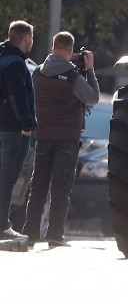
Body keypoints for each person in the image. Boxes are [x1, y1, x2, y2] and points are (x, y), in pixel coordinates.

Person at [22, 31, 99, 248]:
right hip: (67, 138)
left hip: (43, 135)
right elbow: (92, 97)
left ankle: (31, 232)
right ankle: (55, 234)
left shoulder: (37, 73)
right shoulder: (73, 78)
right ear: (69, 51)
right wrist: (90, 70)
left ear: (53, 48)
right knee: (60, 187)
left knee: (38, 186)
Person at [0, 21, 36, 243]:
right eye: (31, 38)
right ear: (25, 39)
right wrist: (27, 124)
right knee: (7, 179)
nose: (32, 42)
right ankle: (3, 226)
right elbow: (18, 96)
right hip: (12, 130)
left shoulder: (3, 59)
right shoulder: (15, 64)